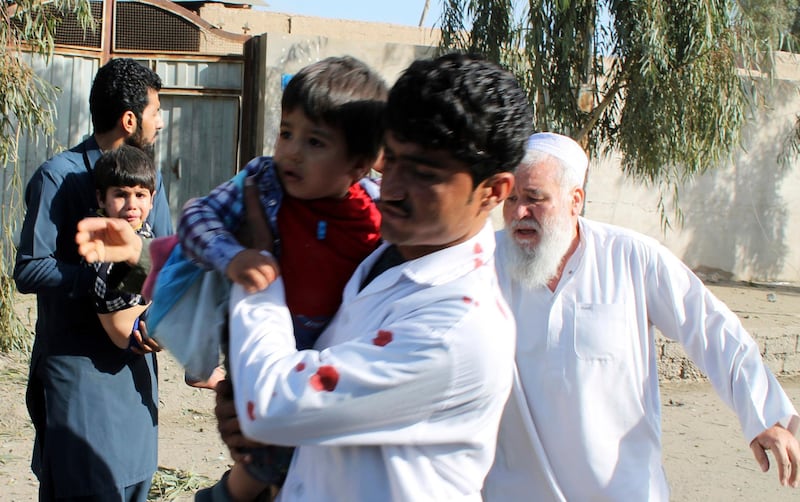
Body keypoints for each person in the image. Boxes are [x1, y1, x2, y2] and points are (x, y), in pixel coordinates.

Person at [211, 52, 531, 502]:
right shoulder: (379, 256)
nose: (394, 189)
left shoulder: (457, 328)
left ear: (493, 191)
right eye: (392, 161)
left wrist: (258, 264)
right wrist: (254, 429)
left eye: (423, 174)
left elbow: (273, 403)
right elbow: (290, 407)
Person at [483, 132, 800, 501]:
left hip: (624, 490)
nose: (520, 212)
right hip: (516, 490)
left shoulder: (632, 258)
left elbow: (713, 330)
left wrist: (765, 418)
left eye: (535, 199)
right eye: (512, 199)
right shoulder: (483, 264)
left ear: (575, 201)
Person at [170, 56, 386, 501]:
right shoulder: (261, 182)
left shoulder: (377, 214)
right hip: (262, 357)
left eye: (315, 142)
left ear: (359, 165)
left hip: (325, 371)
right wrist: (231, 255)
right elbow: (196, 216)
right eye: (286, 132)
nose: (291, 151)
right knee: (264, 452)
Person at [14, 58, 172, 501]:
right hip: (78, 378)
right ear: (129, 119)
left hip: (135, 376)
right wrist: (102, 279)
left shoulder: (147, 182)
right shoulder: (59, 177)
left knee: (133, 485)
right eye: (156, 111)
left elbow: (163, 260)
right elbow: (29, 268)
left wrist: (155, 317)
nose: (160, 122)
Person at [91, 145, 158, 350]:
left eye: (140, 195)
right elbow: (106, 289)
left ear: (152, 199)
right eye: (121, 195)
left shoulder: (142, 229)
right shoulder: (103, 237)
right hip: (130, 329)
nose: (132, 204)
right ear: (101, 198)